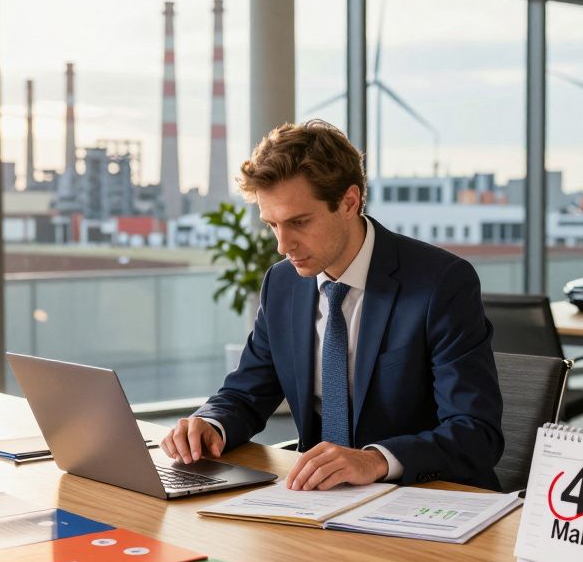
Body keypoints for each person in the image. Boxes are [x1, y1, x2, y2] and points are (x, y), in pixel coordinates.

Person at [160, 120, 504, 490]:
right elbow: (246, 392)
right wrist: (209, 424)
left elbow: (475, 433)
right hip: (317, 498)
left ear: (348, 202)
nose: (282, 245)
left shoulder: (441, 283)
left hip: (421, 498)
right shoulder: (283, 284)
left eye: (299, 222)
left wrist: (375, 460)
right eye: (272, 225)